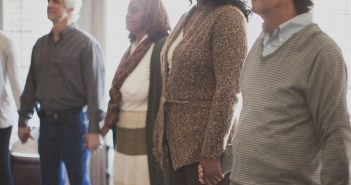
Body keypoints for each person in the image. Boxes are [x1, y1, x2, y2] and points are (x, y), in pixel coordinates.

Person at [199, 0, 351, 184]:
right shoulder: (258, 46)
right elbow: (256, 123)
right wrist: (221, 162)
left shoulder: (322, 51)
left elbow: (335, 136)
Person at [152, 0, 251, 184]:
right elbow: (170, 81)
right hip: (177, 146)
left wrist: (212, 153)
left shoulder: (228, 16)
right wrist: (160, 133)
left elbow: (229, 90)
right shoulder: (188, 14)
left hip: (205, 148)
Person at [17, 0, 105, 184]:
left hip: (74, 125)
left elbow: (95, 90)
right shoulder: (40, 45)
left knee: (78, 180)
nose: (49, 5)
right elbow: (31, 86)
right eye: (48, 1)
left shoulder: (86, 45)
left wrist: (94, 129)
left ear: (71, 9)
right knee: (49, 181)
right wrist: (23, 119)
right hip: (46, 126)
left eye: (56, 1)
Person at [99, 0, 170, 184]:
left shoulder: (160, 48)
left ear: (150, 15)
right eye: (128, 10)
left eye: (135, 10)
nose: (128, 14)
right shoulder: (132, 48)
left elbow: (164, 99)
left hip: (144, 138)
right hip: (123, 134)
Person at [0, 31, 23, 185]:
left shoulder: (6, 42)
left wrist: (24, 117)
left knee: (2, 169)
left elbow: (16, 85)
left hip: (1, 119)